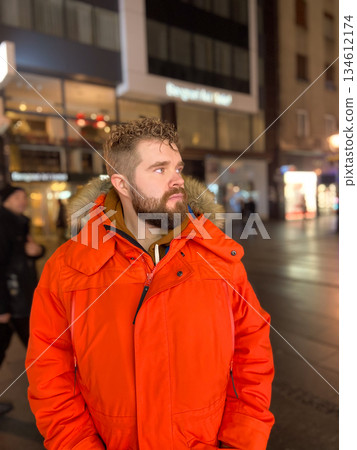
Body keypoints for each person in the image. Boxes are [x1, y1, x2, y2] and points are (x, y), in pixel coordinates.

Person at [26, 118, 274, 449]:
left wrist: (241, 440)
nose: (177, 180)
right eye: (159, 169)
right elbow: (48, 371)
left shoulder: (220, 259)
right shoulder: (68, 266)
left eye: (178, 167)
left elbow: (253, 353)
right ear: (122, 184)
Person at [0, 185, 44, 415]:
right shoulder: (4, 224)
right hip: (12, 302)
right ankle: (52, 404)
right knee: (41, 352)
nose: (22, 200)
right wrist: (2, 307)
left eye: (24, 196)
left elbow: (25, 252)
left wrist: (37, 251)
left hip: (21, 298)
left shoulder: (19, 222)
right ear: (5, 201)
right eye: (16, 197)